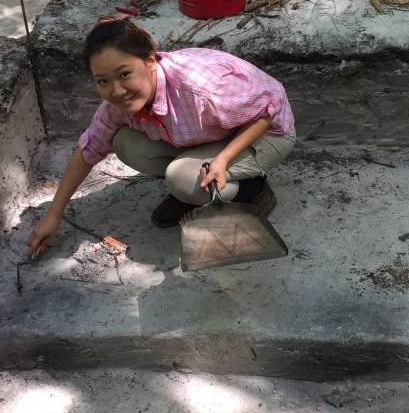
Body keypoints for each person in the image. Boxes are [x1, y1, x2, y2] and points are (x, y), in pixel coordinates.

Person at [26, 16, 295, 257]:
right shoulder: (118, 106)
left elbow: (268, 109)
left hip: (267, 131)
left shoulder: (202, 91)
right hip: (218, 130)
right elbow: (89, 149)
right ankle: (192, 190)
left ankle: (253, 192)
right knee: (125, 143)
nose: (117, 91)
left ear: (150, 60)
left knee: (181, 177)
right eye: (103, 81)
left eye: (124, 74)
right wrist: (54, 214)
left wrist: (223, 159)